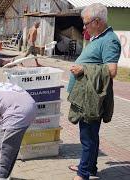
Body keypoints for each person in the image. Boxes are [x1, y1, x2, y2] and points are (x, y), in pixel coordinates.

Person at [67, 3, 121, 180]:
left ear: (97, 22)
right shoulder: (98, 38)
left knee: (88, 136)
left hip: (92, 98)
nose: (84, 27)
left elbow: (111, 71)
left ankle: (83, 174)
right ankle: (89, 167)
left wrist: (83, 70)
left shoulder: (110, 40)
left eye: (86, 23)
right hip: (84, 95)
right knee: (90, 135)